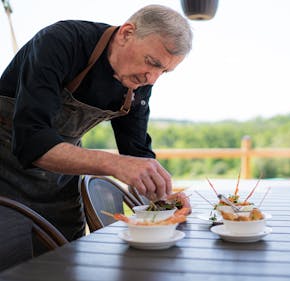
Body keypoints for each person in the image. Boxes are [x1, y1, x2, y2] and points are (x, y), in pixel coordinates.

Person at [0, 4, 193, 245]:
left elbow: (136, 152)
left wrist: (163, 197)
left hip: (60, 184)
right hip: (5, 177)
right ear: (126, 33)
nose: (152, 78)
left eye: (164, 71)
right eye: (152, 62)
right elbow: (31, 141)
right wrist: (114, 164)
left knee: (65, 260)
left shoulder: (139, 80)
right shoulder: (61, 42)